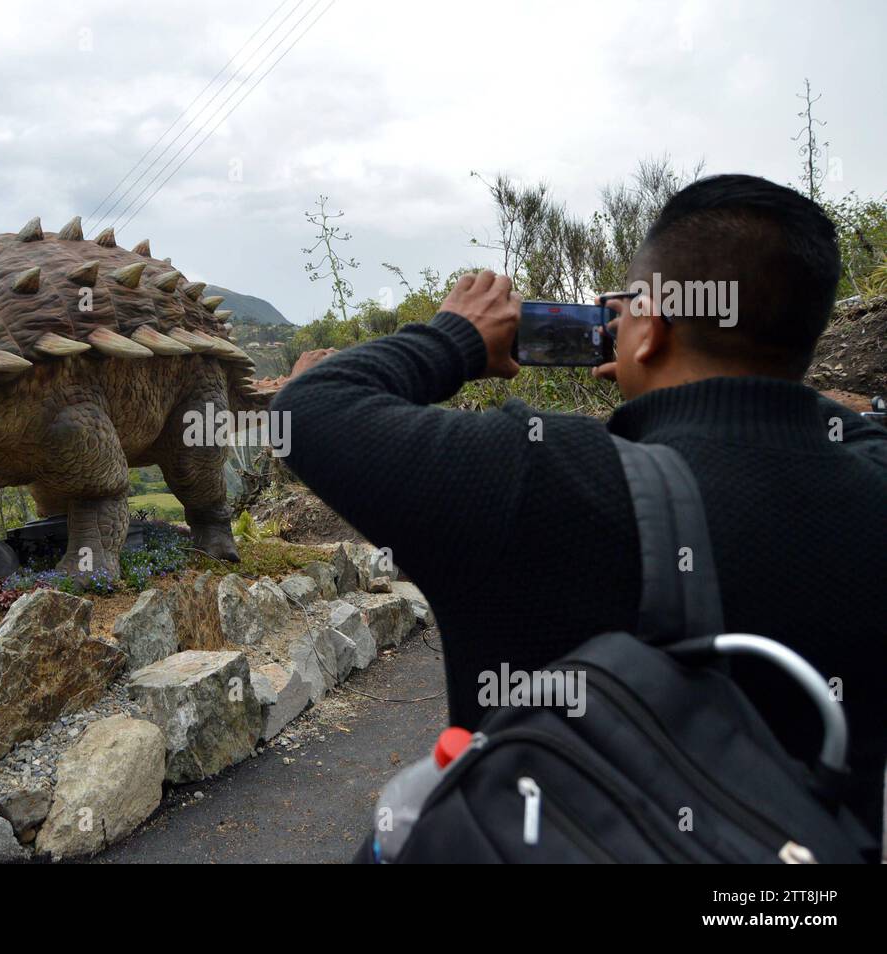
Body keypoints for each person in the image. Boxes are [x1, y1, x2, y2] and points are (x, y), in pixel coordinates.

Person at [271, 174, 887, 834]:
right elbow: (828, 419)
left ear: (649, 327)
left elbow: (309, 407)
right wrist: (734, 360)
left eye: (623, 309)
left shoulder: (539, 480)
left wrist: (458, 336)